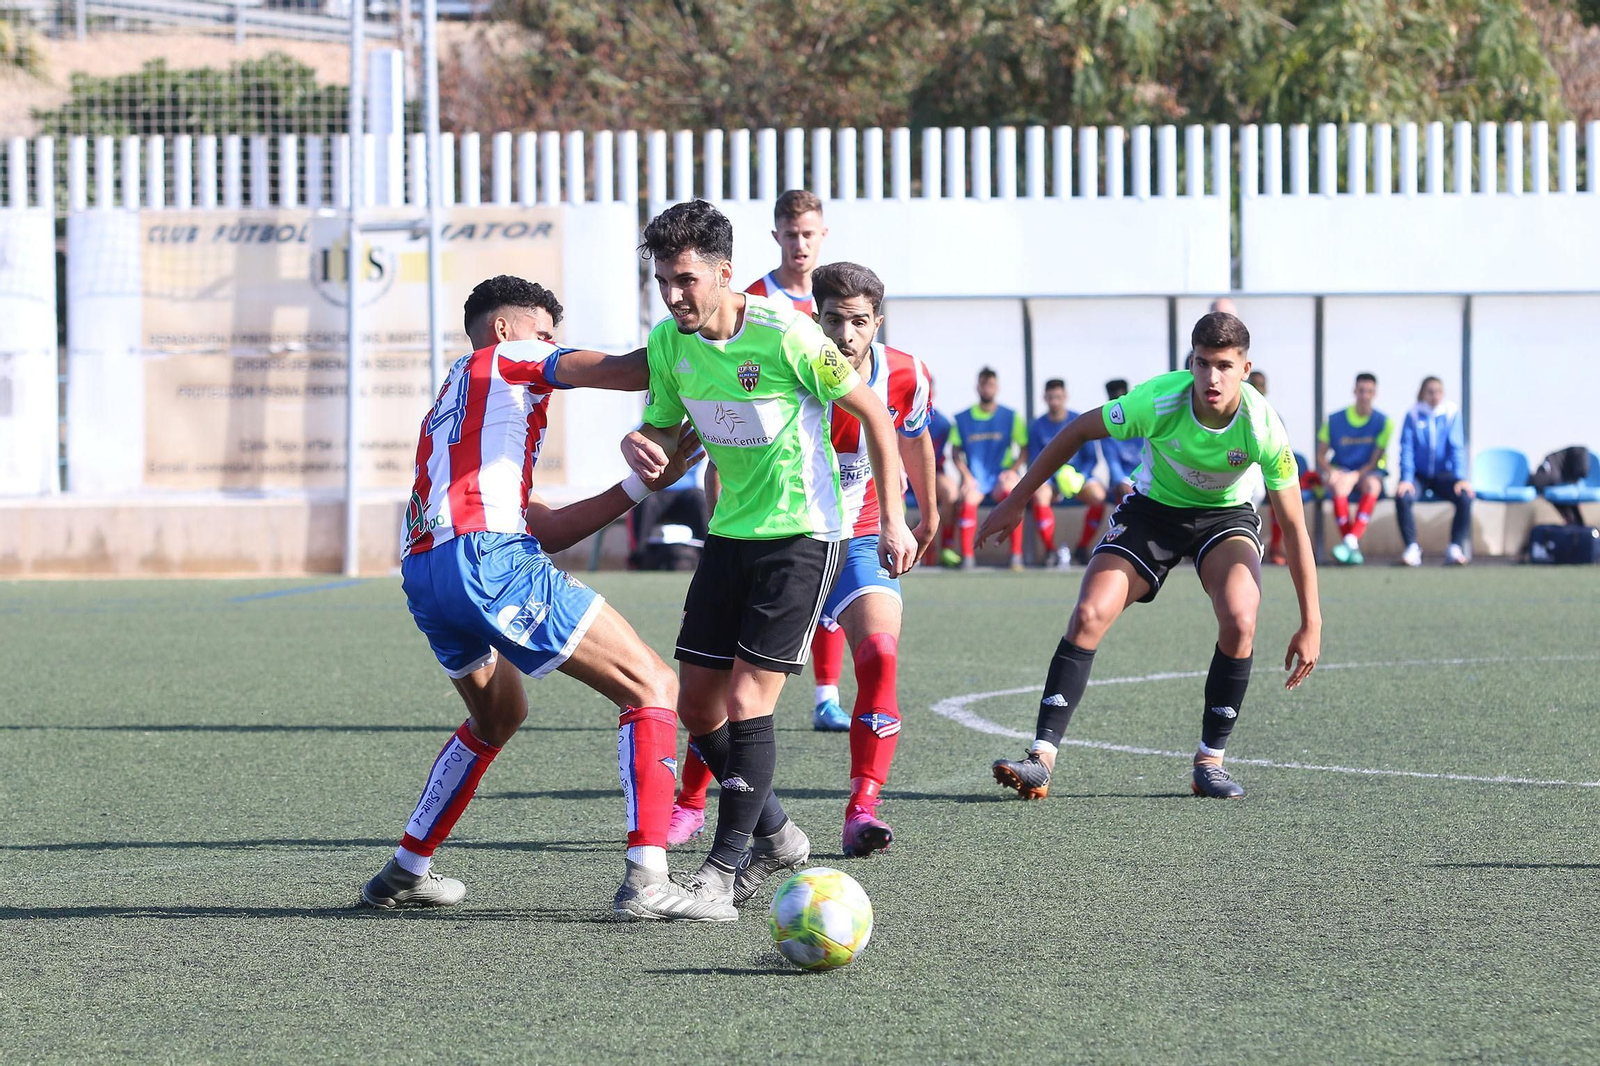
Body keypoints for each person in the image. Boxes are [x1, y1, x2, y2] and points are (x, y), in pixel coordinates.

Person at [362, 275, 725, 921]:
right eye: (545, 331)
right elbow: (620, 369)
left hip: (426, 571)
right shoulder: (508, 356)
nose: (552, 345)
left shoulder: (458, 402)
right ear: (505, 328)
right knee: (650, 686)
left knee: (497, 718)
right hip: (485, 561)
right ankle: (647, 879)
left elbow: (548, 529)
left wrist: (643, 487)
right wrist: (719, 334)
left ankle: (407, 868)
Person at [623, 200, 916, 914]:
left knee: (750, 702)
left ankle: (722, 875)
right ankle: (779, 833)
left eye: (686, 279)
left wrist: (897, 521)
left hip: (803, 536)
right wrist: (641, 449)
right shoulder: (669, 345)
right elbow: (664, 443)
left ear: (724, 273)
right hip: (729, 536)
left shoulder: (787, 334)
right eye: (663, 280)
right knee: (696, 706)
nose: (673, 295)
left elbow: (877, 417)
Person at [979, 311, 1321, 801]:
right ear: (1191, 362)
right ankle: (1041, 759)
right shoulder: (1160, 399)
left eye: (1225, 365)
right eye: (1202, 364)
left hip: (1225, 520)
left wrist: (1312, 621)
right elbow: (1077, 430)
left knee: (1242, 619)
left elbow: (1295, 526)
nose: (1212, 378)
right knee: (1090, 612)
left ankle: (1210, 761)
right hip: (1152, 513)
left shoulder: (1264, 427)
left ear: (1246, 370)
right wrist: (1016, 500)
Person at [669, 262, 937, 856]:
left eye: (860, 322)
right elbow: (728, 457)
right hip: (786, 539)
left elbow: (911, 436)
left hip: (859, 537)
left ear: (877, 323)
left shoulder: (906, 374)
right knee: (723, 690)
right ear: (816, 316)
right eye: (835, 320)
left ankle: (862, 808)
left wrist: (923, 515)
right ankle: (689, 802)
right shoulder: (789, 358)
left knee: (881, 655)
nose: (846, 334)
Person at [705, 190, 831, 508]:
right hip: (767, 442)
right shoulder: (754, 300)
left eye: (808, 234)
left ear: (823, 235)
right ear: (777, 236)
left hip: (831, 438)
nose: (800, 245)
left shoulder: (836, 299)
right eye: (791, 235)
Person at [1026, 378, 1109, 569]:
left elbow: (1092, 459)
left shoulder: (1080, 420)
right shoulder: (1037, 427)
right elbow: (1034, 462)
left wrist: (1079, 477)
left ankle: (1082, 547)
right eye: (1051, 397)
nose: (1055, 401)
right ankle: (1050, 550)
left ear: (1065, 397)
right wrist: (1057, 477)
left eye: (1058, 397)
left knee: (1099, 496)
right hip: (1052, 480)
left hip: (1079, 479)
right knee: (1040, 496)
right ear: (1044, 398)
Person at [950, 367, 1028, 569]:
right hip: (976, 477)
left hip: (1000, 475)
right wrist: (966, 476)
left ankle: (1016, 557)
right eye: (984, 384)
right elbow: (955, 453)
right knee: (968, 499)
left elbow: (1024, 448)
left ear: (997, 387)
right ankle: (968, 557)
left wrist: (1012, 470)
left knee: (1012, 495)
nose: (987, 388)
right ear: (978, 387)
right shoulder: (962, 418)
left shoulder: (1011, 416)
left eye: (991, 384)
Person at [1396, 375, 1473, 566]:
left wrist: (1460, 477)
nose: (1434, 396)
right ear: (1423, 393)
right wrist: (1406, 478)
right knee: (1403, 497)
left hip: (1443, 475)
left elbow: (1457, 447)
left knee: (1465, 496)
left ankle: (1455, 547)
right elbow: (1407, 448)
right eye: (1430, 392)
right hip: (1419, 476)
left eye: (1438, 392)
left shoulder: (1451, 413)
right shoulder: (1413, 414)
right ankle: (1412, 547)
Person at [1319, 373, 1392, 566]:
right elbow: (1321, 455)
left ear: (1374, 393)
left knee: (1373, 486)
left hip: (1368, 472)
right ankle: (1351, 545)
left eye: (1369, 391)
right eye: (1361, 390)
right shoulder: (1334, 419)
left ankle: (1349, 542)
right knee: (1338, 486)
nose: (1364, 395)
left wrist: (1355, 476)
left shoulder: (1384, 422)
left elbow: (1375, 460)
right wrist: (1333, 472)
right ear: (1354, 391)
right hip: (1341, 470)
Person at [629, 462, 709, 570]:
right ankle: (638, 559)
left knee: (700, 501)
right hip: (654, 490)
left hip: (686, 491)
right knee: (645, 503)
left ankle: (709, 557)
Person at [922, 377, 961, 567]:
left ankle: (946, 546)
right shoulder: (899, 414)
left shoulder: (944, 423)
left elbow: (946, 456)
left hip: (931, 476)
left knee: (951, 491)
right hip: (903, 476)